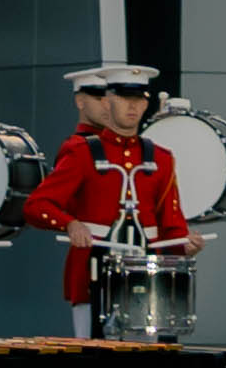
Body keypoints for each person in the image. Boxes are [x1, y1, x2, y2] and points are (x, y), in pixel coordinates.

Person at [18, 60, 192, 329]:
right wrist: (70, 223)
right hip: (92, 276)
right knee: (93, 363)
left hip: (147, 279)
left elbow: (171, 225)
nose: (132, 106)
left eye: (137, 99)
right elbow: (36, 205)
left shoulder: (161, 158)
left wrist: (185, 244)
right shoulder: (82, 152)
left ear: (146, 104)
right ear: (108, 103)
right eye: (123, 98)